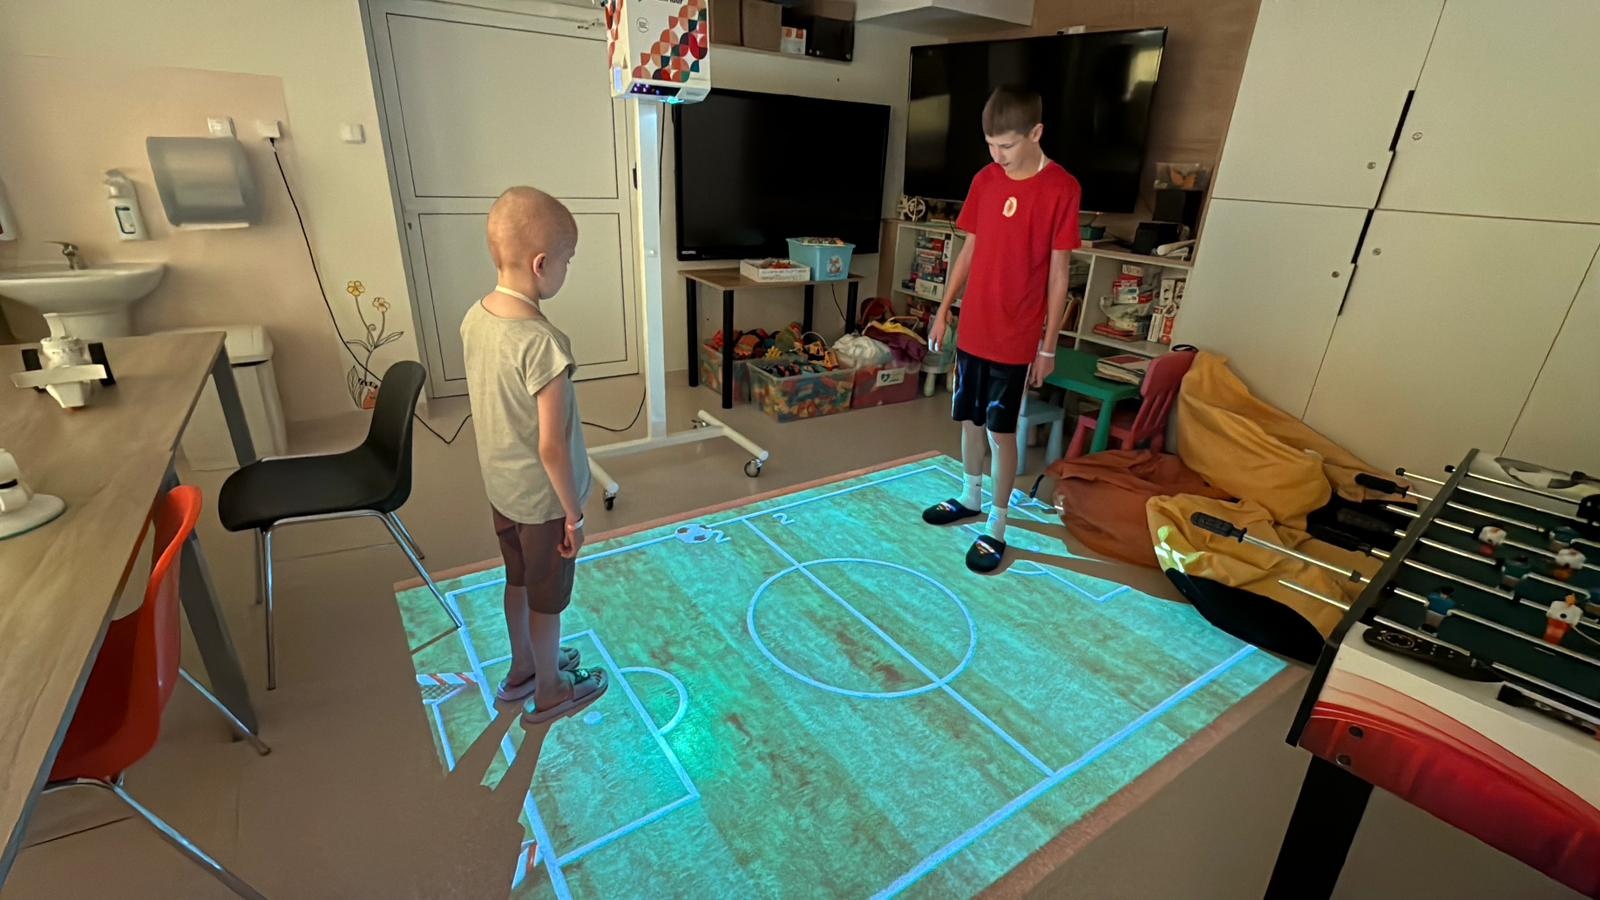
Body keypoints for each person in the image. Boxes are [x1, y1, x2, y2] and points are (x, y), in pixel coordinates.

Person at [461, 185, 608, 724]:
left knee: (517, 580)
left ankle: (523, 665)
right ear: (541, 264)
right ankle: (550, 688)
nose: (567, 269)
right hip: (544, 505)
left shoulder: (475, 317)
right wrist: (574, 515)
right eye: (568, 260)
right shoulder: (543, 342)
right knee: (547, 601)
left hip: (503, 491)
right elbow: (551, 445)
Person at [923, 87, 1081, 573]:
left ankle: (996, 524)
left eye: (1007, 145)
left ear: (1036, 133)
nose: (998, 156)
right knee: (968, 421)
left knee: (1000, 431)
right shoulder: (985, 180)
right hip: (974, 327)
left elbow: (1059, 275)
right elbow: (969, 249)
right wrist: (944, 308)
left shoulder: (1061, 188)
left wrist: (1048, 347)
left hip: (1015, 337)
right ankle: (969, 495)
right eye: (991, 145)